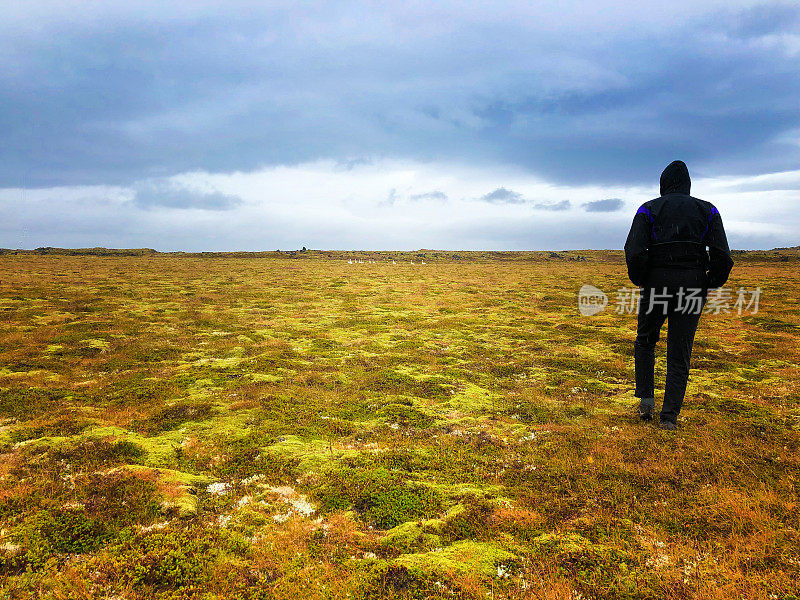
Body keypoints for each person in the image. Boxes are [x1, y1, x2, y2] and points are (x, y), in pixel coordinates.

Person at [624, 160, 733, 430]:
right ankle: (669, 417)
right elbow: (723, 256)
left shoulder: (647, 209)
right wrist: (709, 284)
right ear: (687, 185)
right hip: (693, 283)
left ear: (663, 185)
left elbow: (634, 251)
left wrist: (642, 279)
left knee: (646, 341)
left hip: (656, 284)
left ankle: (646, 401)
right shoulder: (708, 210)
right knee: (679, 351)